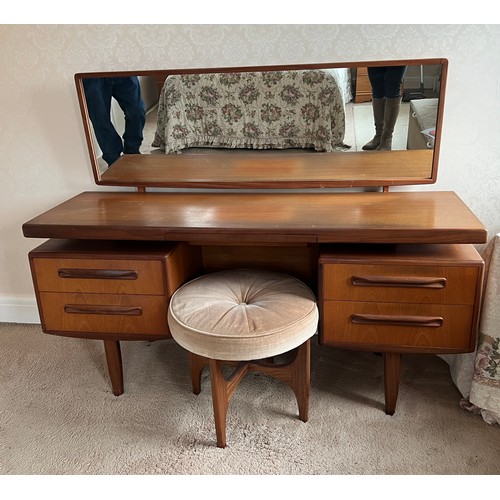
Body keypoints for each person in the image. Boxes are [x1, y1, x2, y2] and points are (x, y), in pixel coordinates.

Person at [83, 76, 146, 166]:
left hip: (123, 70)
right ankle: (113, 160)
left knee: (137, 111)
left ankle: (132, 151)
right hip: (92, 75)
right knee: (100, 118)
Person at [362, 66, 407, 151]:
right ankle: (379, 135)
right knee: (377, 87)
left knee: (393, 87)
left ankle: (387, 138)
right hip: (373, 54)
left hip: (397, 55)